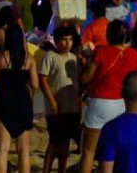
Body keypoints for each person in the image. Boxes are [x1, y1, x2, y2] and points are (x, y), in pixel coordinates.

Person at [79, 20, 137, 173]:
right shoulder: (135, 55)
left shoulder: (101, 53)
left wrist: (82, 65)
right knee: (117, 151)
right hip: (123, 104)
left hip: (100, 102)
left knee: (89, 151)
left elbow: (86, 78)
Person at [0, 25, 37, 173]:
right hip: (23, 104)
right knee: (23, 150)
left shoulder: (0, 57)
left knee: (2, 150)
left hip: (4, 103)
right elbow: (35, 84)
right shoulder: (29, 59)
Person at [39, 26, 81, 173]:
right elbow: (42, 80)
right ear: (56, 41)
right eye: (64, 40)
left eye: (70, 39)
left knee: (66, 142)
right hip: (56, 107)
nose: (67, 43)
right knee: (54, 141)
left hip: (72, 106)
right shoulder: (50, 56)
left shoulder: (73, 58)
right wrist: (52, 102)